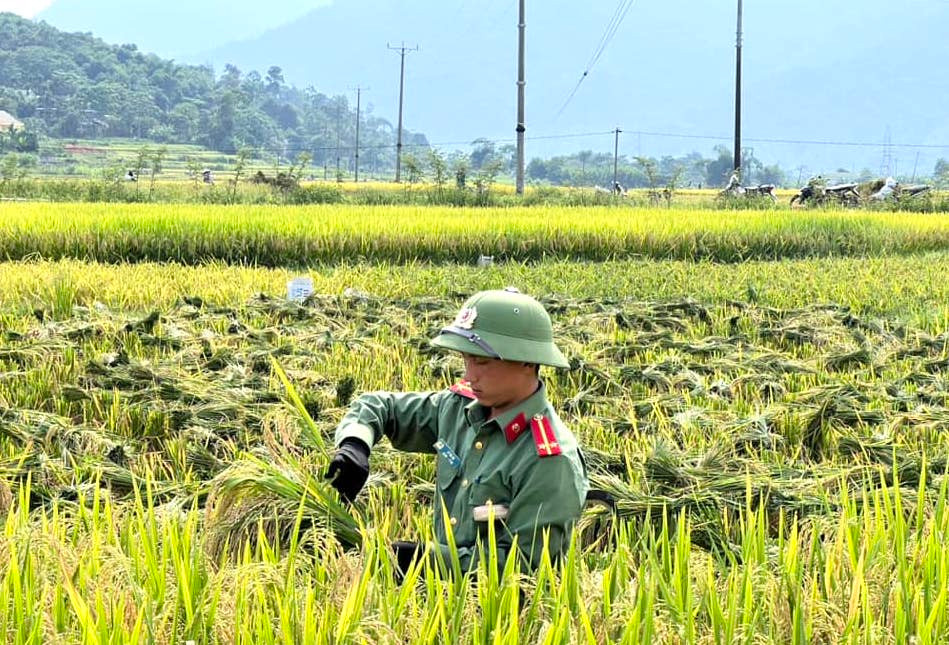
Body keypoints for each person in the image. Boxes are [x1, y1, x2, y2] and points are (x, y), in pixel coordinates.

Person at [325, 288, 589, 576]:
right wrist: (355, 444)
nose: (469, 375)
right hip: (438, 603)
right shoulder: (458, 408)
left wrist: (428, 561)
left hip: (501, 617)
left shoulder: (549, 461)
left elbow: (526, 570)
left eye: (483, 362)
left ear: (527, 361)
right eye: (466, 359)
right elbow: (380, 405)